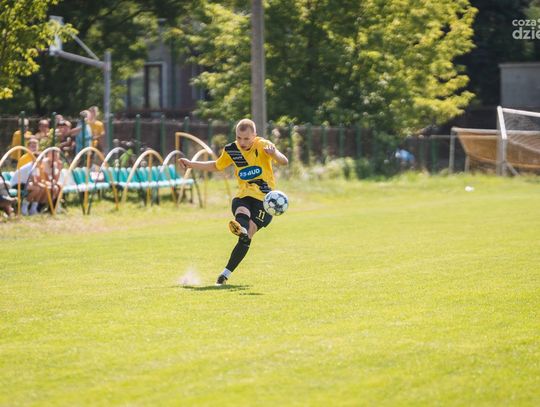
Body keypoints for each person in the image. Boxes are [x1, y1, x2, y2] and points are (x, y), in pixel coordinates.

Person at [179, 118, 289, 285]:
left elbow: (284, 161)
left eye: (246, 138)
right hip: (244, 195)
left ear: (255, 135)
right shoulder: (232, 150)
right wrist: (191, 164)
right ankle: (241, 228)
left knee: (247, 236)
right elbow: (216, 166)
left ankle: (225, 273)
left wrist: (274, 154)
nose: (242, 142)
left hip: (265, 201)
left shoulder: (263, 145)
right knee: (241, 210)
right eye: (239, 138)